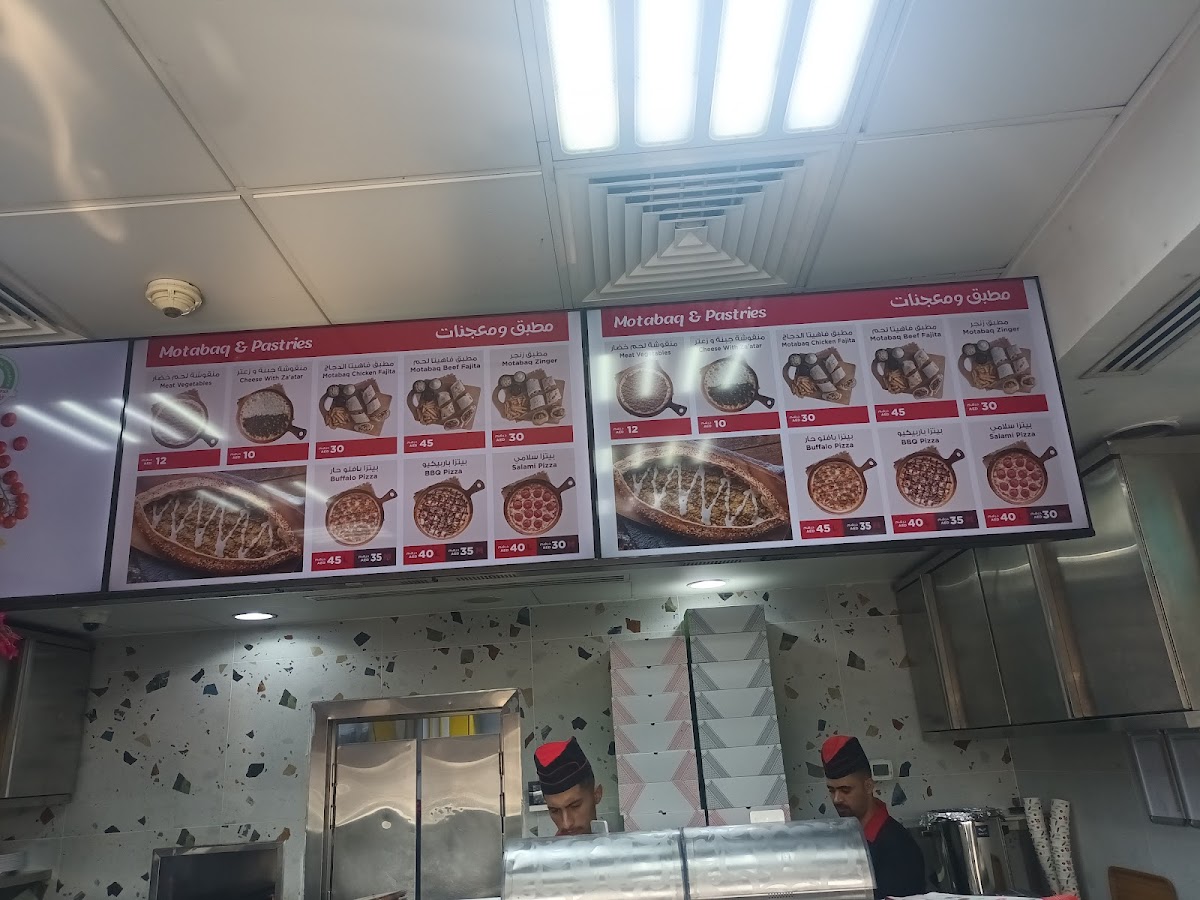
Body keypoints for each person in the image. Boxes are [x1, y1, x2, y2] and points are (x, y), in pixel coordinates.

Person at [823, 735, 927, 899]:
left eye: (845, 790)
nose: (837, 799)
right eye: (831, 790)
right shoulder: (849, 838)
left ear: (868, 786)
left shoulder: (897, 847)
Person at [535, 737, 604, 836]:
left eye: (575, 806)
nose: (566, 824)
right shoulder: (548, 847)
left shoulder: (621, 843)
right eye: (555, 811)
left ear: (597, 795)